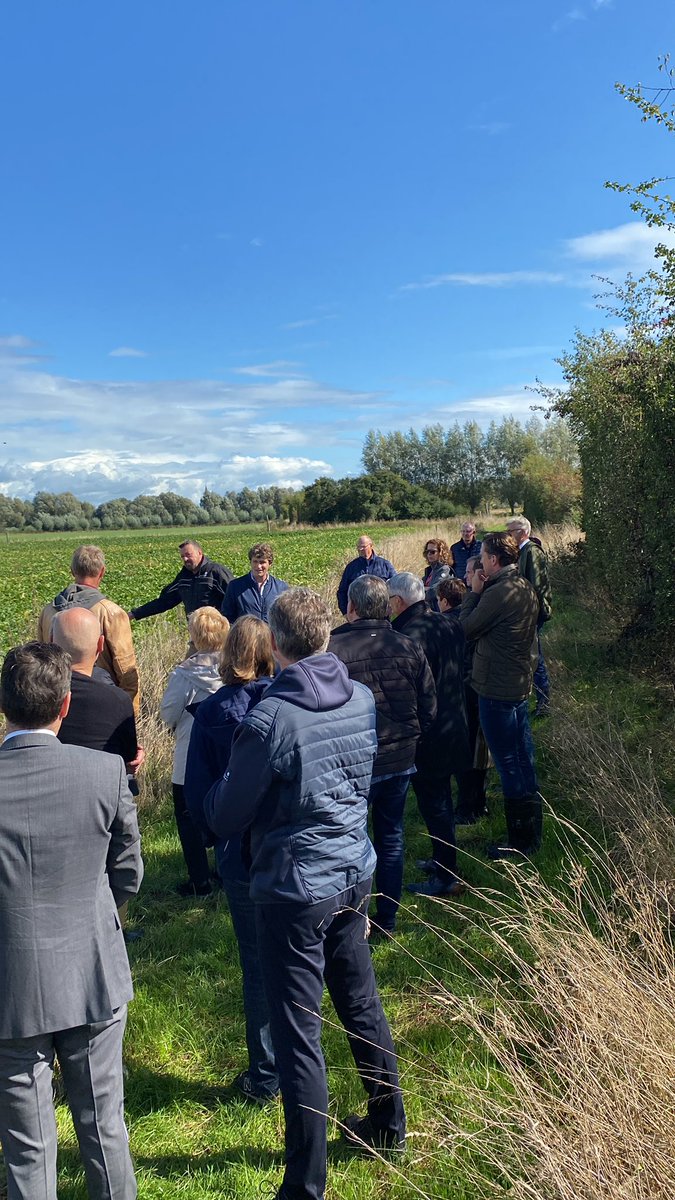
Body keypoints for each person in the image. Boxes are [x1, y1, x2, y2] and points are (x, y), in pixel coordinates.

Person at [204, 588, 406, 1200]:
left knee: (298, 1034)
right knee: (360, 999)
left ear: (275, 642)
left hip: (294, 888)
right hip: (352, 869)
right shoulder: (361, 697)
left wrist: (214, 792)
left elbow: (226, 814)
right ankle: (388, 1122)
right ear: (324, 635)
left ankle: (304, 1184)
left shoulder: (269, 719)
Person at [0, 641, 143, 1200]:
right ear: (65, 705)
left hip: (11, 981)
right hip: (92, 970)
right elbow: (128, 872)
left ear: (4, 706)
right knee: (104, 1127)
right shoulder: (104, 772)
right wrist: (96, 909)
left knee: (26, 1146)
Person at [184, 616, 278, 1104]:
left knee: (257, 965)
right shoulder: (285, 702)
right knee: (298, 958)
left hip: (239, 850)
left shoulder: (212, 711)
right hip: (284, 845)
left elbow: (198, 791)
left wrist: (212, 837)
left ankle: (265, 1072)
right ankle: (298, 1060)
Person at [329, 575, 437, 934]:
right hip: (400, 756)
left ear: (351, 607)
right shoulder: (408, 645)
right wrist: (412, 737)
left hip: (353, 762)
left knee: (351, 838)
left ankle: (352, 919)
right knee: (391, 835)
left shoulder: (334, 650)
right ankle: (387, 916)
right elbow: (429, 705)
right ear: (386, 607)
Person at [387, 573, 470, 897]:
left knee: (435, 804)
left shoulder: (408, 636)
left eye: (390, 601)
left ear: (398, 601)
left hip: (429, 733)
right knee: (441, 800)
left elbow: (410, 692)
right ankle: (442, 859)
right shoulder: (449, 623)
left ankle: (447, 875)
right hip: (455, 722)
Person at [459, 531, 541, 857]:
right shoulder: (523, 586)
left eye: (483, 556)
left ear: (493, 559)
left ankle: (520, 841)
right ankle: (531, 834)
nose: (481, 562)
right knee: (522, 758)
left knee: (508, 763)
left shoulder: (498, 593)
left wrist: (473, 593)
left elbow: (465, 629)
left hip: (496, 689)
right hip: (517, 684)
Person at [160, 607, 230, 897]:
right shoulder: (233, 669)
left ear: (194, 635)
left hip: (189, 753)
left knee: (187, 816)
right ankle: (225, 871)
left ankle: (199, 881)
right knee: (226, 812)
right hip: (225, 753)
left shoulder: (184, 674)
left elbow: (168, 713)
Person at [38, 544, 140, 714]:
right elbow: (125, 667)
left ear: (72, 571)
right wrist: (131, 711)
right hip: (101, 701)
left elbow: (43, 657)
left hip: (57, 699)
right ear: (102, 571)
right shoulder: (111, 612)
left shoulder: (48, 611)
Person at [51, 607, 144, 784]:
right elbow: (129, 760)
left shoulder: (37, 693)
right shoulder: (118, 699)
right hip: (101, 790)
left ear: (51, 642)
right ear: (101, 644)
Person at [437, 577, 489, 825]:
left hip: (459, 692)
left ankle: (466, 808)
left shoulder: (445, 624)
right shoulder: (476, 617)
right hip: (479, 687)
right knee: (479, 752)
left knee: (464, 754)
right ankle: (480, 802)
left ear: (444, 602)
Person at [507, 517, 553, 718]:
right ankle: (538, 699)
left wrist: (531, 613)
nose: (508, 536)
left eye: (511, 532)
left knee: (535, 657)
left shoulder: (531, 551)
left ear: (523, 532)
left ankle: (544, 702)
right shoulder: (522, 551)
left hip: (532, 613)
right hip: (528, 613)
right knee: (532, 655)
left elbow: (536, 586)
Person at [128, 540, 233, 626]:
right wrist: (134, 614)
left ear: (200, 553)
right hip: (196, 633)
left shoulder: (215, 572)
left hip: (218, 631)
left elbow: (235, 597)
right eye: (182, 556)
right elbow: (164, 601)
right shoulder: (184, 577)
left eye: (188, 555)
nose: (185, 559)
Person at [221, 542, 289, 623]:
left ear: (270, 564)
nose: (258, 566)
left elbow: (286, 618)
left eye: (262, 562)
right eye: (255, 561)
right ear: (250, 562)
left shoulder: (281, 588)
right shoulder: (235, 586)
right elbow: (227, 618)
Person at [336, 534, 396, 615]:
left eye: (363, 547)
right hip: (358, 615)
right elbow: (342, 591)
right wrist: (346, 613)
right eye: (358, 547)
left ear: (371, 546)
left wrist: (391, 609)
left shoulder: (384, 565)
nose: (360, 549)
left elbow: (395, 587)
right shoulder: (351, 567)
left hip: (381, 614)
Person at [421, 538, 454, 611]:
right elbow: (419, 586)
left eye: (432, 552)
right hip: (428, 609)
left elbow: (433, 591)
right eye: (427, 551)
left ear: (441, 553)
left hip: (438, 611)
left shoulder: (445, 569)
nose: (429, 554)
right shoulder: (429, 570)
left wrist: (422, 590)